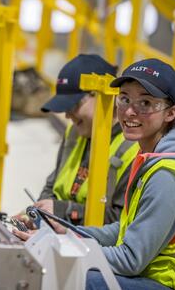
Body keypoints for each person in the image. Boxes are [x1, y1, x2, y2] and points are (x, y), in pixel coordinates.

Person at [15, 58, 175, 289]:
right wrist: (69, 233)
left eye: (145, 103)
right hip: (172, 275)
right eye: (124, 99)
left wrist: (62, 250)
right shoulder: (152, 156)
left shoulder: (169, 174)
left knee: (74, 277)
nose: (129, 112)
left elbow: (130, 260)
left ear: (170, 113)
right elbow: (125, 229)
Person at [29, 54, 139, 225]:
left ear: (104, 96)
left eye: (73, 106)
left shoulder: (134, 150)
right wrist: (42, 214)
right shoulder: (73, 133)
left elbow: (121, 221)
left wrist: (62, 211)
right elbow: (51, 186)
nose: (67, 115)